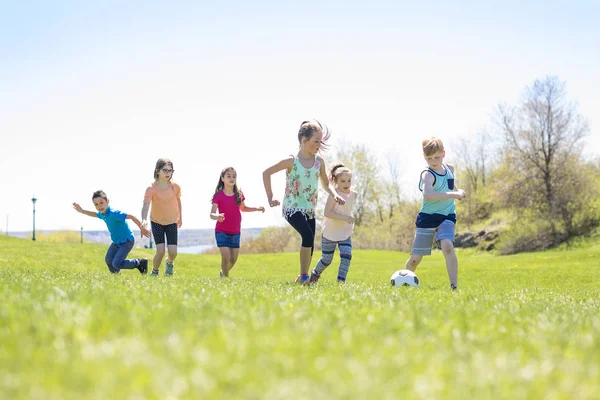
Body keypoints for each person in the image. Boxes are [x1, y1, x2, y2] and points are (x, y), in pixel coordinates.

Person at [263, 119, 345, 284]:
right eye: (316, 141)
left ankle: (302, 277)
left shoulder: (319, 162)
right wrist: (270, 197)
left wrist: (335, 194)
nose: (319, 145)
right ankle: (305, 277)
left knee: (310, 244)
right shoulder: (291, 161)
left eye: (320, 141)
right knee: (307, 236)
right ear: (304, 140)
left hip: (309, 208)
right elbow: (266, 173)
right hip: (291, 208)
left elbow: (325, 183)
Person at [405, 137, 466, 290]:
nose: (433, 161)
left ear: (443, 153)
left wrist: (459, 192)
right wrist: (453, 195)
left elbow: (452, 187)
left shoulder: (450, 169)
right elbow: (428, 196)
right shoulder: (427, 174)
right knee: (415, 259)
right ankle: (403, 281)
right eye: (429, 158)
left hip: (447, 216)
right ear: (424, 157)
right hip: (427, 218)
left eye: (437, 157)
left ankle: (454, 287)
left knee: (447, 246)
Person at [73, 190, 150, 274]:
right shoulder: (103, 214)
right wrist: (82, 211)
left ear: (107, 201)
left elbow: (132, 217)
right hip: (116, 242)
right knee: (108, 260)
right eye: (96, 204)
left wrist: (141, 228)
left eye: (101, 202)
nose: (99, 206)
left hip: (127, 241)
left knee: (116, 263)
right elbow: (94, 214)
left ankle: (139, 263)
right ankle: (116, 277)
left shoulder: (114, 213)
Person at [210, 167, 265, 277]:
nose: (232, 178)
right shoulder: (218, 195)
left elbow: (243, 208)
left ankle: (223, 273)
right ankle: (225, 280)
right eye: (228, 176)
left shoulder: (238, 193)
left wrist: (257, 208)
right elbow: (212, 214)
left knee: (233, 259)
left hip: (235, 231)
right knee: (225, 257)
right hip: (221, 231)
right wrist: (218, 217)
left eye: (234, 176)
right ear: (222, 179)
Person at [309, 163, 356, 283]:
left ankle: (340, 283)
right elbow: (327, 212)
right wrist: (345, 217)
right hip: (330, 232)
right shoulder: (334, 194)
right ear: (336, 181)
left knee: (347, 257)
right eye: (343, 181)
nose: (346, 184)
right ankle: (315, 274)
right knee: (327, 260)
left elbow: (348, 209)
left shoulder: (353, 195)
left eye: (349, 181)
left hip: (345, 232)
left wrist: (351, 219)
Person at [141, 158, 182, 276]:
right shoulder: (151, 189)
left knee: (173, 253)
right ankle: (155, 271)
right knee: (160, 251)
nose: (168, 173)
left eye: (170, 170)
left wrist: (180, 217)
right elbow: (145, 206)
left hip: (171, 222)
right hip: (156, 222)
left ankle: (169, 263)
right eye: (165, 170)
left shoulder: (175, 187)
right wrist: (143, 220)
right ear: (157, 171)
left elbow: (178, 201)